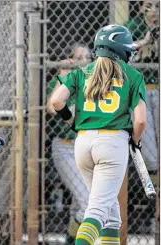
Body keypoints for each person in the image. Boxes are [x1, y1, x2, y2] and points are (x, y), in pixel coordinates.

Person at [50, 24, 146, 245]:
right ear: (121, 51)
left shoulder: (82, 72)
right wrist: (135, 141)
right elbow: (140, 120)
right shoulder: (132, 75)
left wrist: (72, 121)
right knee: (97, 210)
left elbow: (56, 101)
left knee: (111, 214)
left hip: (83, 142)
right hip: (112, 144)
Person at [46, 43, 91, 244]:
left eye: (87, 58)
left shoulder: (93, 81)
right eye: (78, 58)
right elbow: (51, 108)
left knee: (79, 204)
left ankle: (71, 239)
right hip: (65, 147)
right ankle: (72, 240)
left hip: (87, 147)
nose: (83, 62)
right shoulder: (61, 81)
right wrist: (63, 74)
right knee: (88, 202)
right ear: (70, 60)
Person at [125, 0, 159, 176]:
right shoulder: (133, 26)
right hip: (140, 90)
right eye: (149, 5)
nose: (153, 10)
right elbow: (118, 49)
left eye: (157, 6)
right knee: (151, 155)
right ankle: (152, 195)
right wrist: (144, 41)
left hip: (158, 89)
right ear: (140, 8)